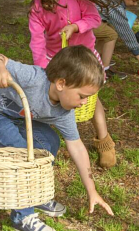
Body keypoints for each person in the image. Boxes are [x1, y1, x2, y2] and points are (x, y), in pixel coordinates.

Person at [0, 46, 114, 231]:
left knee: (50, 141)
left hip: (23, 118)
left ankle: (36, 193)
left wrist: (92, 190)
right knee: (23, 153)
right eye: (82, 96)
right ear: (61, 83)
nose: (83, 103)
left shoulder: (64, 112)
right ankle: (22, 216)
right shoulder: (34, 78)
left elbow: (78, 148)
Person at [29, 0, 117, 169]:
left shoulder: (80, 1)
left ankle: (104, 140)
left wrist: (76, 26)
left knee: (91, 99)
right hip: (57, 59)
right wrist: (43, 70)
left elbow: (94, 19)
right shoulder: (38, 8)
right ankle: (45, 142)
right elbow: (37, 42)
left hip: (85, 57)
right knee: (50, 99)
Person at [93, 0, 139, 69]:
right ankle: (104, 68)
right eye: (134, 1)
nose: (135, 4)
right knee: (111, 35)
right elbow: (126, 32)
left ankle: (94, 58)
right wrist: (138, 54)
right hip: (88, 19)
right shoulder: (116, 7)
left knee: (108, 31)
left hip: (89, 17)